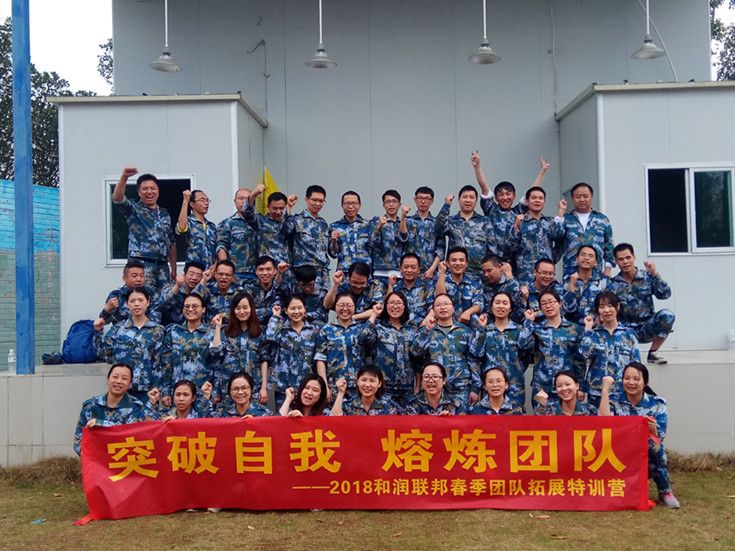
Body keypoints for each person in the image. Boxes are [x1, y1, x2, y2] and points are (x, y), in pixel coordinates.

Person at [600, 364, 680, 508]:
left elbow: (660, 437)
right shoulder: (613, 401)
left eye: (636, 379)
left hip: (644, 455)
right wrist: (605, 390)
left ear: (645, 382)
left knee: (656, 447)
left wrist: (653, 430)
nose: (631, 382)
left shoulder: (657, 404)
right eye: (627, 378)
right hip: (618, 453)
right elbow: (603, 422)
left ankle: (665, 491)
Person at [472, 151, 550, 264]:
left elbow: (531, 192)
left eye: (508, 194)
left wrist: (542, 172)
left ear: (514, 196)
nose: (505, 197)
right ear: (496, 197)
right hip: (493, 262)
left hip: (514, 263)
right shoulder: (492, 210)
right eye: (501, 195)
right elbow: (484, 187)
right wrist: (477, 166)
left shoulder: (518, 212)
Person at [93, 286, 165, 401]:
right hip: (121, 389)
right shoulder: (118, 329)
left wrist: (157, 388)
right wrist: (98, 332)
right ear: (127, 304)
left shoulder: (157, 331)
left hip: (147, 391)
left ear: (148, 302)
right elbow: (103, 354)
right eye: (132, 301)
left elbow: (159, 363)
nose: (136, 304)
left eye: (140, 300)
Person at [111, 167, 176, 292]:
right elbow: (117, 199)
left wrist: (173, 268)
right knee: (142, 298)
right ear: (139, 192)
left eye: (153, 188)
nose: (149, 191)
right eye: (145, 189)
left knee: (164, 299)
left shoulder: (164, 214)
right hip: (141, 265)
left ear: (158, 190)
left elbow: (171, 242)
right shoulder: (133, 209)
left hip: (162, 266)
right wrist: (124, 177)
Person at [609, 243, 675, 364]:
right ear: (616, 262)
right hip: (624, 331)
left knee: (667, 315)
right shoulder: (612, 284)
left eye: (628, 257)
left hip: (646, 327)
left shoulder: (647, 277)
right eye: (621, 259)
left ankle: (653, 353)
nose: (625, 262)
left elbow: (665, 294)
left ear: (634, 257)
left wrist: (655, 274)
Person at [413, 294, 484, 404]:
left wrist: (475, 388)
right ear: (433, 310)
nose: (442, 307)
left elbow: (474, 360)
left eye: (446, 304)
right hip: (434, 390)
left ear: (453, 308)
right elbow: (415, 353)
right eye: (438, 305)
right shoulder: (426, 330)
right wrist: (426, 330)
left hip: (460, 389)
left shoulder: (465, 331)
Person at [519, 289, 585, 403]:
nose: (548, 306)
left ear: (560, 303)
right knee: (542, 415)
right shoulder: (537, 329)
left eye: (551, 302)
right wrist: (529, 322)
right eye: (544, 304)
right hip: (542, 386)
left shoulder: (574, 329)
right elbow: (522, 344)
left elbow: (579, 360)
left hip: (566, 387)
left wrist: (581, 386)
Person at [578, 291, 640, 407]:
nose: (606, 310)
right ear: (598, 310)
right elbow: (583, 354)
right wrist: (588, 329)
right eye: (602, 307)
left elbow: (636, 365)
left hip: (622, 392)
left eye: (610, 306)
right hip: (597, 393)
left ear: (617, 307)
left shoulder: (629, 334)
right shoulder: (594, 334)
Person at [73, 363, 148, 455]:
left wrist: (102, 424)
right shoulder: (90, 406)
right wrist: (95, 455)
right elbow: (78, 442)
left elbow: (129, 434)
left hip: (125, 459)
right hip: (97, 459)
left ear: (130, 384)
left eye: (124, 378)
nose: (119, 381)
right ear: (108, 379)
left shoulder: (136, 407)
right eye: (115, 377)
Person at [359, 294, 421, 406]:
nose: (395, 306)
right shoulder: (378, 327)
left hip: (407, 389)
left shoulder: (412, 329)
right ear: (385, 306)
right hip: (383, 388)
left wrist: (418, 386)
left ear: (405, 306)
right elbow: (362, 339)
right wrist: (374, 314)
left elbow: (417, 360)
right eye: (391, 303)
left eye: (399, 303)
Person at [209, 292, 268, 404]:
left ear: (251, 309)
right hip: (229, 387)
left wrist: (264, 388)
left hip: (254, 387)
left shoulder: (260, 332)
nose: (241, 311)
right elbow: (216, 354)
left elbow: (264, 360)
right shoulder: (225, 331)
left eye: (245, 307)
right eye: (238, 308)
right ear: (233, 310)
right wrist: (217, 327)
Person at [476, 292, 530, 410]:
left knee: (515, 416)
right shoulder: (485, 330)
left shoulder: (520, 330)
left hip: (515, 385)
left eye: (505, 303)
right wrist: (481, 329)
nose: (501, 306)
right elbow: (477, 353)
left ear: (510, 309)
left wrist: (517, 370)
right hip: (492, 386)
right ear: (491, 307)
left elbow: (527, 354)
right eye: (497, 303)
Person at [264, 297, 319, 407]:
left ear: (305, 309)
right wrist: (275, 316)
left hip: (306, 387)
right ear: (286, 311)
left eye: (300, 308)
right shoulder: (281, 329)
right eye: (292, 308)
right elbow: (270, 336)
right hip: (284, 387)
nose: (296, 312)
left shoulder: (314, 330)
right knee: (284, 416)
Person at [161, 294, 216, 402]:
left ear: (203, 309)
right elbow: (167, 364)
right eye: (187, 306)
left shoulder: (211, 333)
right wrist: (165, 392)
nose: (190, 309)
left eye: (195, 306)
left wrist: (215, 392)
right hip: (178, 394)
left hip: (203, 392)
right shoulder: (173, 331)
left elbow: (217, 364)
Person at [315, 292, 369, 401]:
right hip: (334, 386)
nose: (345, 309)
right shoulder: (326, 330)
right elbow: (320, 359)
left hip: (360, 387)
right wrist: (324, 386)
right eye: (341, 305)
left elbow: (369, 356)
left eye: (349, 306)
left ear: (355, 307)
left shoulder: (362, 329)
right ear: (335, 307)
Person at [554, 182, 614, 279]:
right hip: (571, 271)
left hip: (596, 272)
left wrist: (608, 269)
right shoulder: (566, 219)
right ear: (572, 199)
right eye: (578, 197)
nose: (582, 199)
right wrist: (561, 213)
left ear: (591, 197)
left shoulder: (602, 219)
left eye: (585, 196)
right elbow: (556, 236)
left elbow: (609, 245)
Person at [507, 187, 565, 285]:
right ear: (527, 201)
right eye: (534, 198)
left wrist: (552, 258)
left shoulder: (550, 222)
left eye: (540, 198)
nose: (537, 200)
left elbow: (560, 239)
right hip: (525, 276)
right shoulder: (519, 221)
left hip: (546, 276)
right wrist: (516, 227)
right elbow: (510, 248)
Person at [435, 186, 493, 276]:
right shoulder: (451, 221)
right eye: (464, 197)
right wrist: (446, 206)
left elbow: (492, 248)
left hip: (478, 274)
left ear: (476, 201)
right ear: (459, 200)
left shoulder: (485, 221)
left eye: (471, 197)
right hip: (455, 273)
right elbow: (437, 228)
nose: (468, 200)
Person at [282, 185, 330, 290]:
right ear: (306, 199)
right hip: (303, 272)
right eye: (314, 200)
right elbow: (284, 231)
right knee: (301, 299)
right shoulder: (296, 220)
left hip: (322, 273)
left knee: (324, 300)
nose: (318, 204)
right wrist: (288, 207)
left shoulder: (323, 224)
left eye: (321, 201)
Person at [243, 184, 296, 265]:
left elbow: (288, 231)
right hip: (267, 269)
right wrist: (254, 194)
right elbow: (247, 212)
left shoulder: (291, 222)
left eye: (281, 208)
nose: (278, 212)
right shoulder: (260, 221)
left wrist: (288, 208)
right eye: (274, 208)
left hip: (287, 269)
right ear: (268, 207)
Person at [216, 187, 258, 282]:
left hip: (257, 273)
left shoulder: (259, 222)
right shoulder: (227, 223)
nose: (244, 201)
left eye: (247, 199)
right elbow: (221, 247)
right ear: (234, 201)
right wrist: (226, 270)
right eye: (241, 198)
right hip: (236, 273)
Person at [98, 259, 157, 326]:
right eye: (134, 276)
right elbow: (103, 322)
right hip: (120, 331)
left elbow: (155, 320)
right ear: (124, 278)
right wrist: (107, 309)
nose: (139, 279)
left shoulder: (150, 294)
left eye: (142, 276)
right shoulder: (116, 295)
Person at [435, 247, 483, 324]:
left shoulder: (475, 281)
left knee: (477, 320)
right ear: (447, 263)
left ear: (466, 264)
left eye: (461, 260)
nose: (457, 263)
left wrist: (468, 312)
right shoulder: (440, 279)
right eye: (454, 260)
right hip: (446, 321)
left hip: (468, 320)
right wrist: (441, 273)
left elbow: (479, 304)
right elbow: (440, 299)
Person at [369, 190, 409, 282]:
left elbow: (404, 239)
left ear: (399, 204)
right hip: (380, 271)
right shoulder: (376, 221)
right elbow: (372, 243)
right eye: (388, 202)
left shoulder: (403, 223)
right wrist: (379, 227)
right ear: (383, 205)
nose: (391, 204)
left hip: (399, 272)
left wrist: (403, 217)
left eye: (394, 201)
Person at [563, 244, 609, 323]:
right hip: (572, 326)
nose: (586, 258)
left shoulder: (604, 282)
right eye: (583, 255)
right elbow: (567, 309)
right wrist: (572, 284)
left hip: (596, 325)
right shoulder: (567, 280)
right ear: (577, 259)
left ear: (596, 262)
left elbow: (609, 307)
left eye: (590, 256)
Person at [328, 191, 372, 273]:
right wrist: (334, 241)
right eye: (347, 203)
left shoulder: (368, 225)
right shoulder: (334, 227)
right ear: (342, 205)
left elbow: (375, 247)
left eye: (354, 203)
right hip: (344, 272)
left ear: (359, 205)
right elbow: (333, 254)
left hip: (364, 273)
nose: (350, 206)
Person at [405, 186, 442, 280]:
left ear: (432, 201)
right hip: (410, 271)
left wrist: (432, 269)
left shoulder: (436, 223)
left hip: (430, 272)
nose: (423, 201)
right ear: (415, 199)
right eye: (420, 198)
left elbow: (440, 249)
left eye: (427, 198)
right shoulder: (407, 221)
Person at [332, 366, 401, 415]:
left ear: (379, 384)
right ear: (357, 382)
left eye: (372, 381)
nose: (367, 384)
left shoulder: (388, 407)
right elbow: (334, 422)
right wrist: (341, 392)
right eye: (364, 380)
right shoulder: (348, 405)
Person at [176, 189, 217, 271]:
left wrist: (215, 265)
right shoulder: (188, 222)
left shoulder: (212, 226)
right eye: (202, 200)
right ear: (192, 204)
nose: (206, 203)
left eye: (207, 200)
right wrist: (185, 201)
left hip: (210, 273)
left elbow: (217, 249)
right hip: (194, 273)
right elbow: (182, 228)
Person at [387, 253, 435, 324]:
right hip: (399, 327)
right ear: (400, 269)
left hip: (421, 327)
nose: (409, 270)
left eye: (413, 267)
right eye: (406, 267)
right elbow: (388, 307)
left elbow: (432, 309)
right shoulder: (395, 287)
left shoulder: (427, 286)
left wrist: (423, 326)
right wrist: (390, 286)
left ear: (419, 269)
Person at [155, 260, 206, 325]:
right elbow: (160, 305)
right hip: (171, 327)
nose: (194, 278)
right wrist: (177, 286)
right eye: (191, 274)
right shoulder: (171, 287)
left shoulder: (204, 290)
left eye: (199, 276)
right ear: (184, 275)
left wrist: (204, 281)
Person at [480, 255, 523, 323]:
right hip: (490, 323)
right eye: (484, 272)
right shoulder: (483, 284)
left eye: (489, 270)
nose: (486, 275)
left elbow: (518, 310)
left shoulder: (511, 283)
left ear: (499, 267)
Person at [242, 255, 281, 325]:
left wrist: (256, 312)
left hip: (275, 325)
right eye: (261, 269)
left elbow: (281, 311)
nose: (265, 273)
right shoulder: (249, 288)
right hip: (253, 326)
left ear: (275, 271)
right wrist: (271, 311)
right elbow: (245, 312)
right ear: (256, 271)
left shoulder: (281, 289)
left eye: (268, 269)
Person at [147, 380, 214, 420]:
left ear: (193, 398)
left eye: (186, 395)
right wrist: (152, 402)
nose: (181, 399)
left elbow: (214, 423)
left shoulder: (200, 417)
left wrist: (206, 396)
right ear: (173, 397)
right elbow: (145, 424)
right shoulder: (165, 417)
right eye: (177, 394)